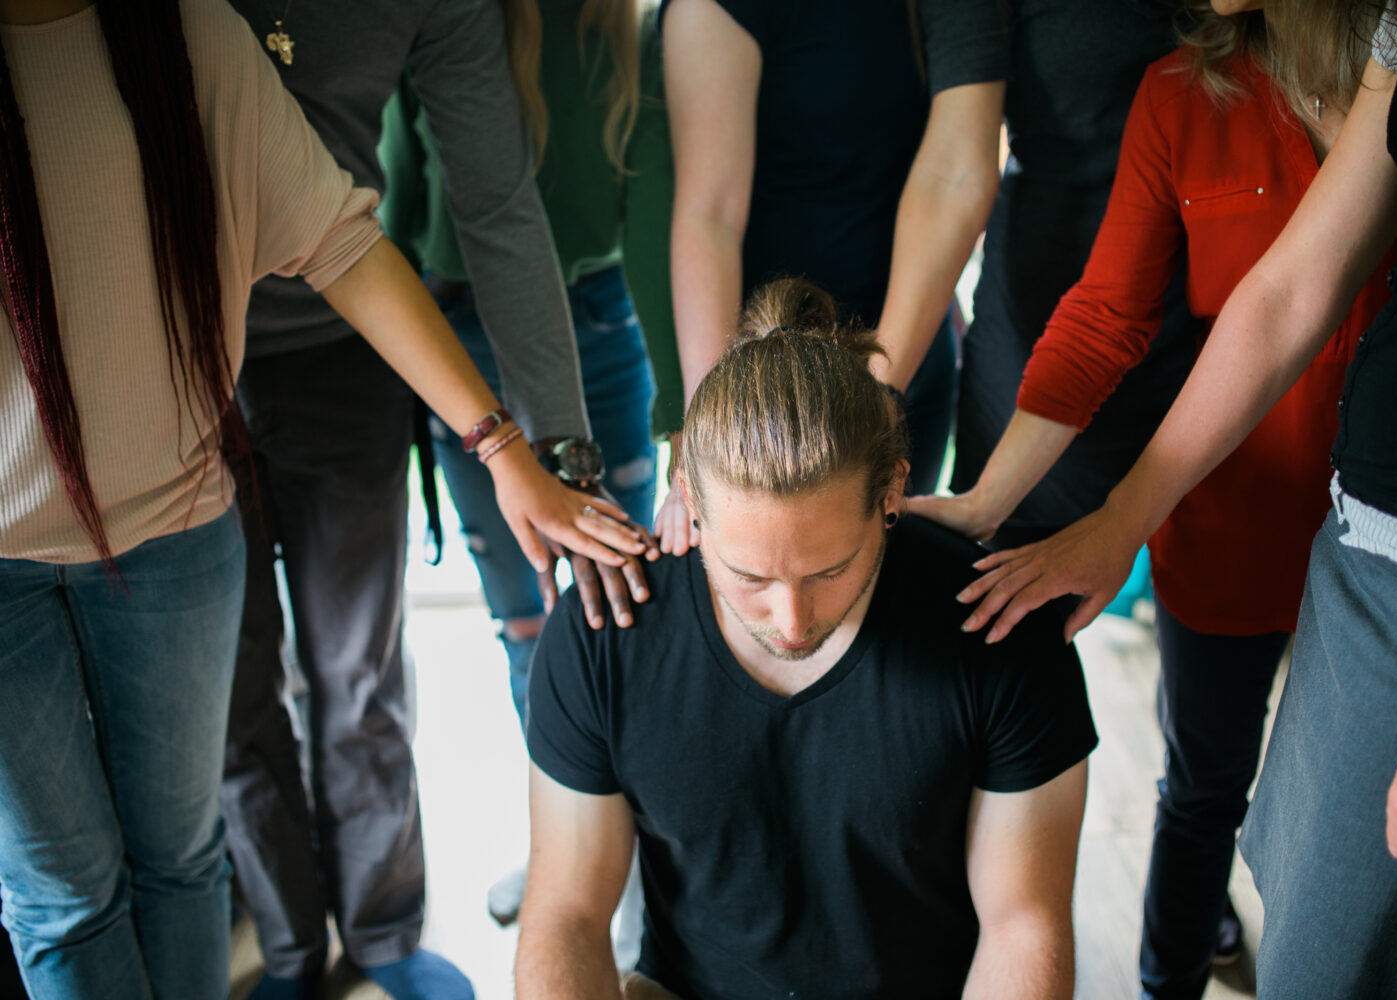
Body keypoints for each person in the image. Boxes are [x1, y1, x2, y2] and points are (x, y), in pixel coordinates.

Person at [0, 1, 643, 998]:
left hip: (318, 373)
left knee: (355, 673)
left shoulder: (242, 31)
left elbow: (476, 210)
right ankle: (293, 958)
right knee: (197, 751)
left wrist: (537, 449)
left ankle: (383, 940)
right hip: (163, 402)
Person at [950, 1, 1397, 995]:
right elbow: (1129, 312)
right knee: (1215, 794)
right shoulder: (1192, 93)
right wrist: (1005, 499)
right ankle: (1173, 975)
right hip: (1249, 524)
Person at [514, 279, 1098, 1000]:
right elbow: (566, 916)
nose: (792, 622)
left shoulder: (1001, 628)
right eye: (749, 576)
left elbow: (1024, 926)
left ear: (892, 493)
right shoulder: (607, 632)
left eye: (829, 570)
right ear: (689, 504)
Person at [378, 0, 676, 934]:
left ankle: (639, 870)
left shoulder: (631, 36)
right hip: (457, 339)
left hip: (598, 323)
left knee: (616, 600)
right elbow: (394, 196)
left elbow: (660, 217)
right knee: (522, 620)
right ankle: (568, 842)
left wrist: (682, 408)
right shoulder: (442, 24)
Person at [654, 0, 1009, 556]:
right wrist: (708, 438)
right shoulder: (711, 11)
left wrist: (884, 386)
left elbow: (958, 171)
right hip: (765, 378)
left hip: (906, 349)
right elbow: (710, 216)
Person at [933, 0, 1196, 554]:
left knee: (1221, 592)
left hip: (1229, 307)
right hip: (1057, 298)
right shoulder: (1167, 93)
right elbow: (1109, 313)